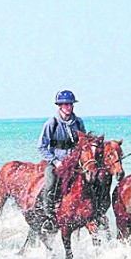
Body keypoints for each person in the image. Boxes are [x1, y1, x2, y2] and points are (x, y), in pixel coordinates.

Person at [38, 90, 86, 231]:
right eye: (65, 104)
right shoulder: (51, 123)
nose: (68, 107)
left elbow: (83, 143)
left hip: (75, 162)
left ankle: (95, 212)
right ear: (59, 106)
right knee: (50, 184)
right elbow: (41, 147)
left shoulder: (78, 122)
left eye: (70, 104)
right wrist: (54, 160)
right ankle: (48, 218)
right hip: (56, 161)